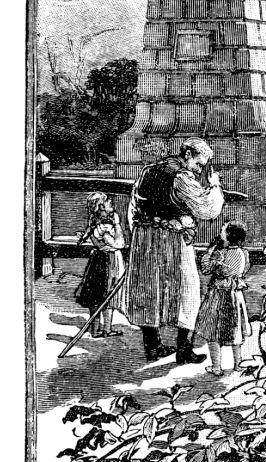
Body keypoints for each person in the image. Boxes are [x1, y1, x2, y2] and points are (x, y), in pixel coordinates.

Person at [122, 138, 225, 363]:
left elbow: (133, 209)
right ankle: (183, 350)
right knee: (186, 289)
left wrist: (142, 233)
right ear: (187, 154)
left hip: (145, 238)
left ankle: (153, 347)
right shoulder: (181, 177)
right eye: (199, 164)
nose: (200, 170)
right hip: (172, 239)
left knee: (149, 288)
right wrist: (214, 185)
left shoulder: (147, 172)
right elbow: (208, 209)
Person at [194, 222, 251, 377]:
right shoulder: (243, 253)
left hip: (219, 294)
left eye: (223, 230)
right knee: (235, 329)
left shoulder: (220, 253)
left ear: (228, 235)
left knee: (214, 331)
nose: (220, 231)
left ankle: (217, 367)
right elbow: (243, 270)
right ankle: (238, 364)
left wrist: (209, 252)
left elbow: (206, 269)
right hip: (235, 294)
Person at [73, 192, 125, 338]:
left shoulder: (95, 225)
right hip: (108, 261)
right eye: (108, 201)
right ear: (101, 207)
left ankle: (99, 329)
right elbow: (119, 244)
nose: (111, 203)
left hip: (99, 259)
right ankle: (103, 330)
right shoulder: (104, 228)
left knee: (98, 296)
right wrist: (117, 224)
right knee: (106, 295)